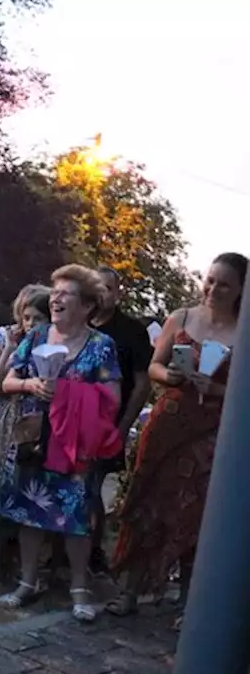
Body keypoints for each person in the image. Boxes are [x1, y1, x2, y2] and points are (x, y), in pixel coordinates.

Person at [108, 253, 247, 630]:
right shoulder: (182, 318)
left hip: (212, 432)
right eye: (210, 279)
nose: (213, 289)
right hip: (167, 422)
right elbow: (153, 366)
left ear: (241, 291)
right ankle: (130, 590)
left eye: (225, 284)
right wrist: (169, 376)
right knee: (147, 499)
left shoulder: (245, 331)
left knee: (197, 513)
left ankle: (189, 603)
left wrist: (216, 388)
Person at [0, 264, 122, 623]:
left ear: (86, 306)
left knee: (75, 515)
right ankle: (27, 581)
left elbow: (112, 397)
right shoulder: (36, 338)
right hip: (34, 436)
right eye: (55, 293)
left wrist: (67, 393)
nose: (56, 299)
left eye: (66, 294)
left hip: (74, 442)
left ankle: (80, 587)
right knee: (29, 510)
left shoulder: (101, 346)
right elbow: (6, 382)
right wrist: (30, 386)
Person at [0, 285, 51, 586]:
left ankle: (26, 569)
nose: (30, 324)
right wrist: (10, 352)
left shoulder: (54, 348)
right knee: (0, 492)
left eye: (38, 318)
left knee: (30, 497)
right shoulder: (15, 344)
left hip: (40, 428)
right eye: (26, 317)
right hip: (9, 424)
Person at [85, 266, 153, 573]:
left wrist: (124, 426)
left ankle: (93, 550)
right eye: (98, 288)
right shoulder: (78, 323)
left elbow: (142, 383)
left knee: (93, 486)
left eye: (109, 288)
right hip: (72, 420)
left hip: (109, 422)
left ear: (118, 292)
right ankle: (64, 551)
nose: (103, 294)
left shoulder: (132, 330)